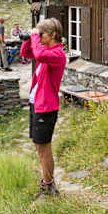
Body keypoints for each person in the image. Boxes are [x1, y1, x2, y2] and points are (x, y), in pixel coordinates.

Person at [20, 18, 67, 199]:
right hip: (37, 104)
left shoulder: (57, 54)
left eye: (42, 34)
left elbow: (38, 55)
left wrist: (34, 36)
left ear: (53, 34)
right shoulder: (47, 51)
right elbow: (26, 53)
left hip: (46, 107)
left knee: (44, 147)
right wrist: (28, 39)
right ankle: (47, 183)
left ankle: (48, 186)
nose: (39, 37)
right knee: (39, 146)